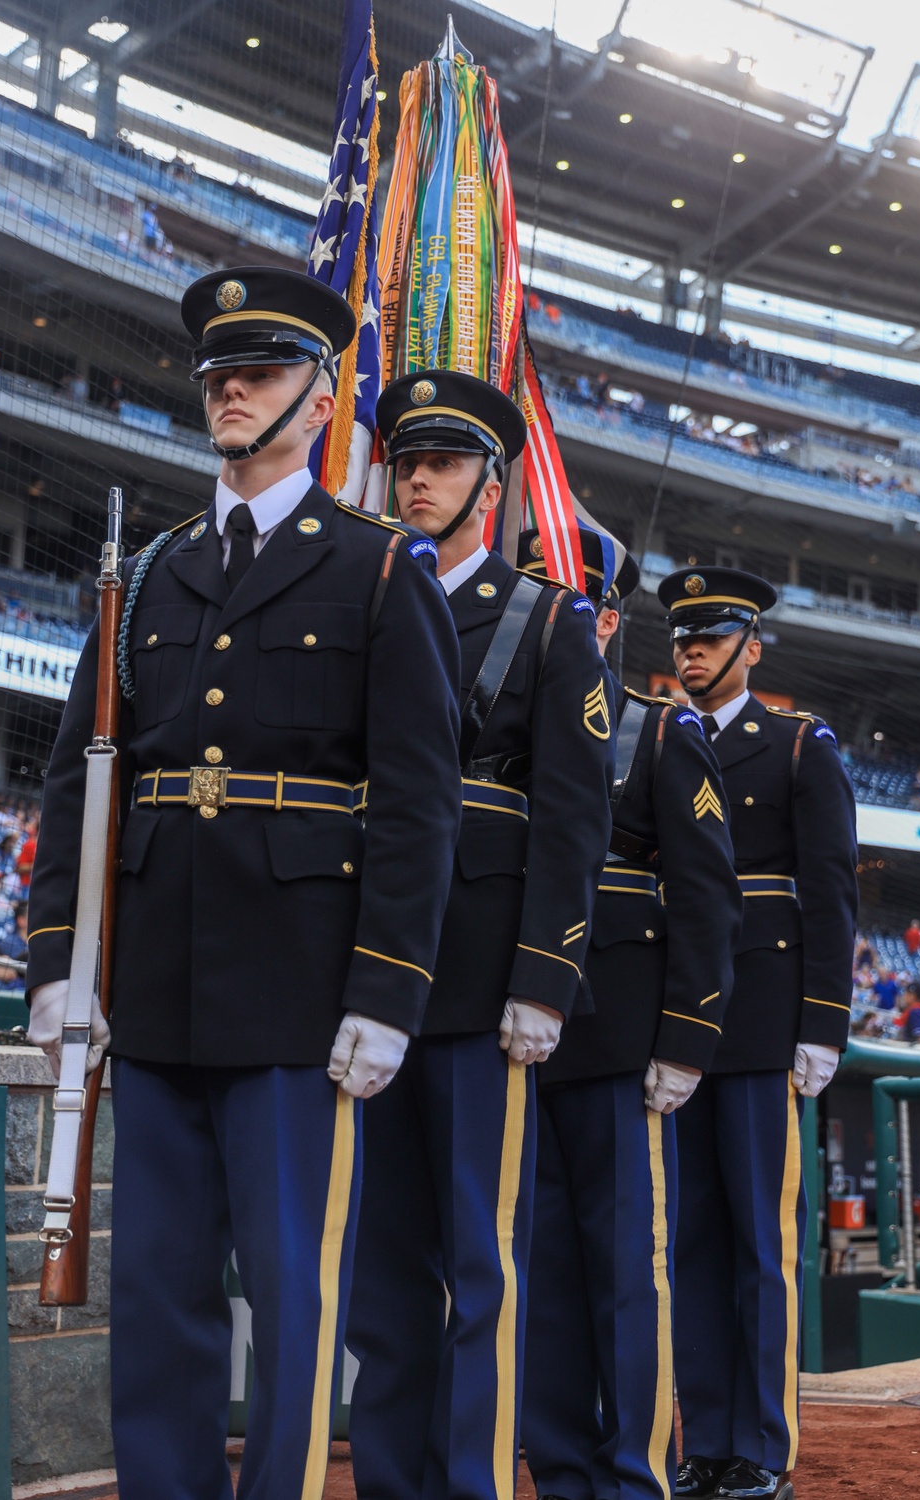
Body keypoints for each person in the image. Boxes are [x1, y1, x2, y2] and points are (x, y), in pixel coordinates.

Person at [25, 266, 463, 1500]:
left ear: (320, 400)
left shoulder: (380, 572)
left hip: (300, 995)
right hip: (155, 987)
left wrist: (387, 988)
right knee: (156, 1291)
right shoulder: (151, 572)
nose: (229, 388)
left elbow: (420, 798)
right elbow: (77, 780)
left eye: (261, 371)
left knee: (291, 1288)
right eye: (219, 371)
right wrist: (61, 959)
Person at [346, 371, 615, 1500]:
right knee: (378, 1274)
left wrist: (545, 977)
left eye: (444, 463)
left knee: (479, 1263)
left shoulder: (548, 622)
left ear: (492, 486)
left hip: (476, 987)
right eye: (407, 460)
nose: (416, 480)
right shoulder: (357, 598)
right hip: (365, 981)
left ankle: (471, 1485)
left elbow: (574, 814)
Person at [518, 529, 743, 1500]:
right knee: (543, 1287)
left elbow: (706, 896)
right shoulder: (490, 725)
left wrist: (688, 1035)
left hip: (618, 1048)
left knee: (623, 1278)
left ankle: (632, 1478)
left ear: (607, 618)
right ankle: (562, 1472)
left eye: (564, 599)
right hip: (516, 1041)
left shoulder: (655, 729)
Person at [656, 566, 858, 1500]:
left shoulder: (794, 746)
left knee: (760, 1246)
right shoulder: (659, 739)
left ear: (752, 646)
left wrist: (823, 1021)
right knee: (690, 1241)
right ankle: (707, 1441)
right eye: (682, 639)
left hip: (766, 1019)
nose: (692, 653)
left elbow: (831, 890)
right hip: (677, 1025)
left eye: (710, 637)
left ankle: (763, 1450)